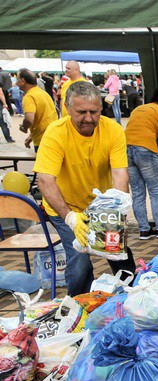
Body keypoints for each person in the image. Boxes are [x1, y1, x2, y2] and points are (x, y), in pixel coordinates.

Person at [33, 80, 135, 296]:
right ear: (68, 109)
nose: (89, 118)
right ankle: (77, 305)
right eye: (81, 112)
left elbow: (119, 173)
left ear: (101, 109)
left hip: (101, 207)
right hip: (65, 207)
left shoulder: (113, 130)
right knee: (80, 262)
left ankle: (132, 298)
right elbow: (45, 180)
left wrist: (117, 212)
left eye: (94, 111)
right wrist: (71, 218)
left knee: (118, 252)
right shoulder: (56, 132)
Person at [125, 87, 158, 240]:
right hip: (146, 152)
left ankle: (144, 230)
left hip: (127, 150)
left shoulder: (138, 110)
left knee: (137, 192)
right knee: (155, 191)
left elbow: (138, 137)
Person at [17, 68, 57, 151]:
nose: (16, 83)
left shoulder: (29, 97)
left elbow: (29, 119)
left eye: (17, 79)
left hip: (42, 141)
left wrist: (24, 127)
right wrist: (31, 137)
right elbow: (44, 120)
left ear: (23, 81)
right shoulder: (43, 93)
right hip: (53, 137)